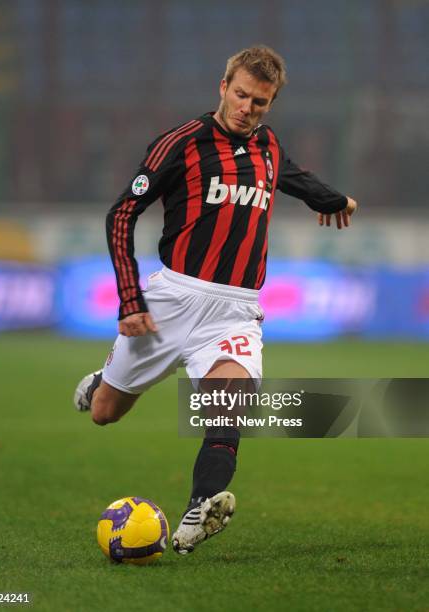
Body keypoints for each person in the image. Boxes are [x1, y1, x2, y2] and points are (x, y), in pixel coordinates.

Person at [73, 45, 357, 555]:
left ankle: (200, 509)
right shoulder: (180, 144)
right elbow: (121, 214)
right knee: (104, 412)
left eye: (261, 102)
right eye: (242, 95)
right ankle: (102, 380)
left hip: (234, 310)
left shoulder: (266, 145)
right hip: (171, 300)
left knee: (228, 412)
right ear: (223, 87)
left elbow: (288, 176)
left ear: (271, 104)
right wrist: (130, 298)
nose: (248, 108)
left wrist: (333, 198)